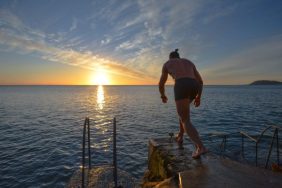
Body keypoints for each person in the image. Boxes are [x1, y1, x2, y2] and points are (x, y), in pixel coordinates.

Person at [158, 49, 208, 159]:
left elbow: (161, 83)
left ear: (171, 57)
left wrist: (162, 95)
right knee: (183, 115)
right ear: (179, 57)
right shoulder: (189, 62)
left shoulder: (167, 64)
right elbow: (200, 81)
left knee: (185, 120)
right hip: (194, 85)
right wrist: (199, 96)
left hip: (181, 85)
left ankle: (200, 147)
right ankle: (180, 135)